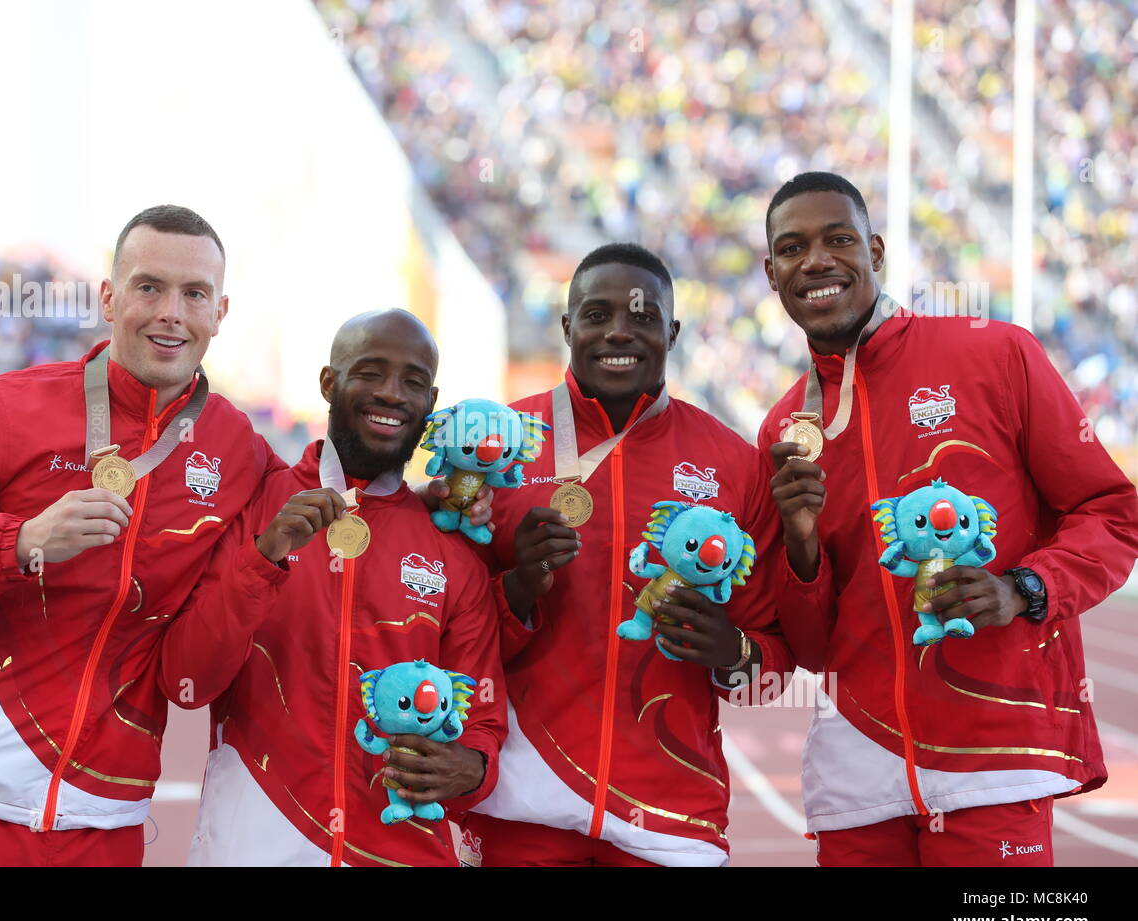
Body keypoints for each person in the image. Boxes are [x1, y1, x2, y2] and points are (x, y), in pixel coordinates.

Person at [0, 205, 295, 865]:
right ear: (108, 296)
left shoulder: (240, 453)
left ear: (220, 311)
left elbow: (346, 500)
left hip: (105, 815)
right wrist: (20, 542)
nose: (171, 312)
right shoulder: (1, 409)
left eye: (194, 294)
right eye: (148, 287)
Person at [760, 171, 1138, 866]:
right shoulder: (786, 428)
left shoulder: (995, 353)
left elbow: (1111, 513)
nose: (816, 261)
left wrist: (1022, 588)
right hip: (859, 762)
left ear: (875, 252)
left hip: (996, 752)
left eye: (838, 240)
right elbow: (812, 647)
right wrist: (802, 548)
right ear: (771, 273)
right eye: (792, 248)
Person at [460, 243, 794, 867]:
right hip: (524, 801)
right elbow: (449, 633)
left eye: (642, 317)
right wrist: (518, 590)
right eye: (597, 314)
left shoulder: (734, 463)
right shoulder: (496, 447)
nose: (619, 330)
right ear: (567, 327)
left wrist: (731, 650)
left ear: (671, 330)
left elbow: (770, 669)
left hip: (671, 815)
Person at [172, 309, 509, 867]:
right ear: (329, 382)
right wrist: (263, 558)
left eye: (413, 382)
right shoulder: (253, 506)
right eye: (370, 372)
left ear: (432, 402)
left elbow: (484, 718)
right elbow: (186, 678)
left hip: (402, 847)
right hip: (257, 837)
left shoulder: (453, 549)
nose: (392, 394)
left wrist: (473, 765)